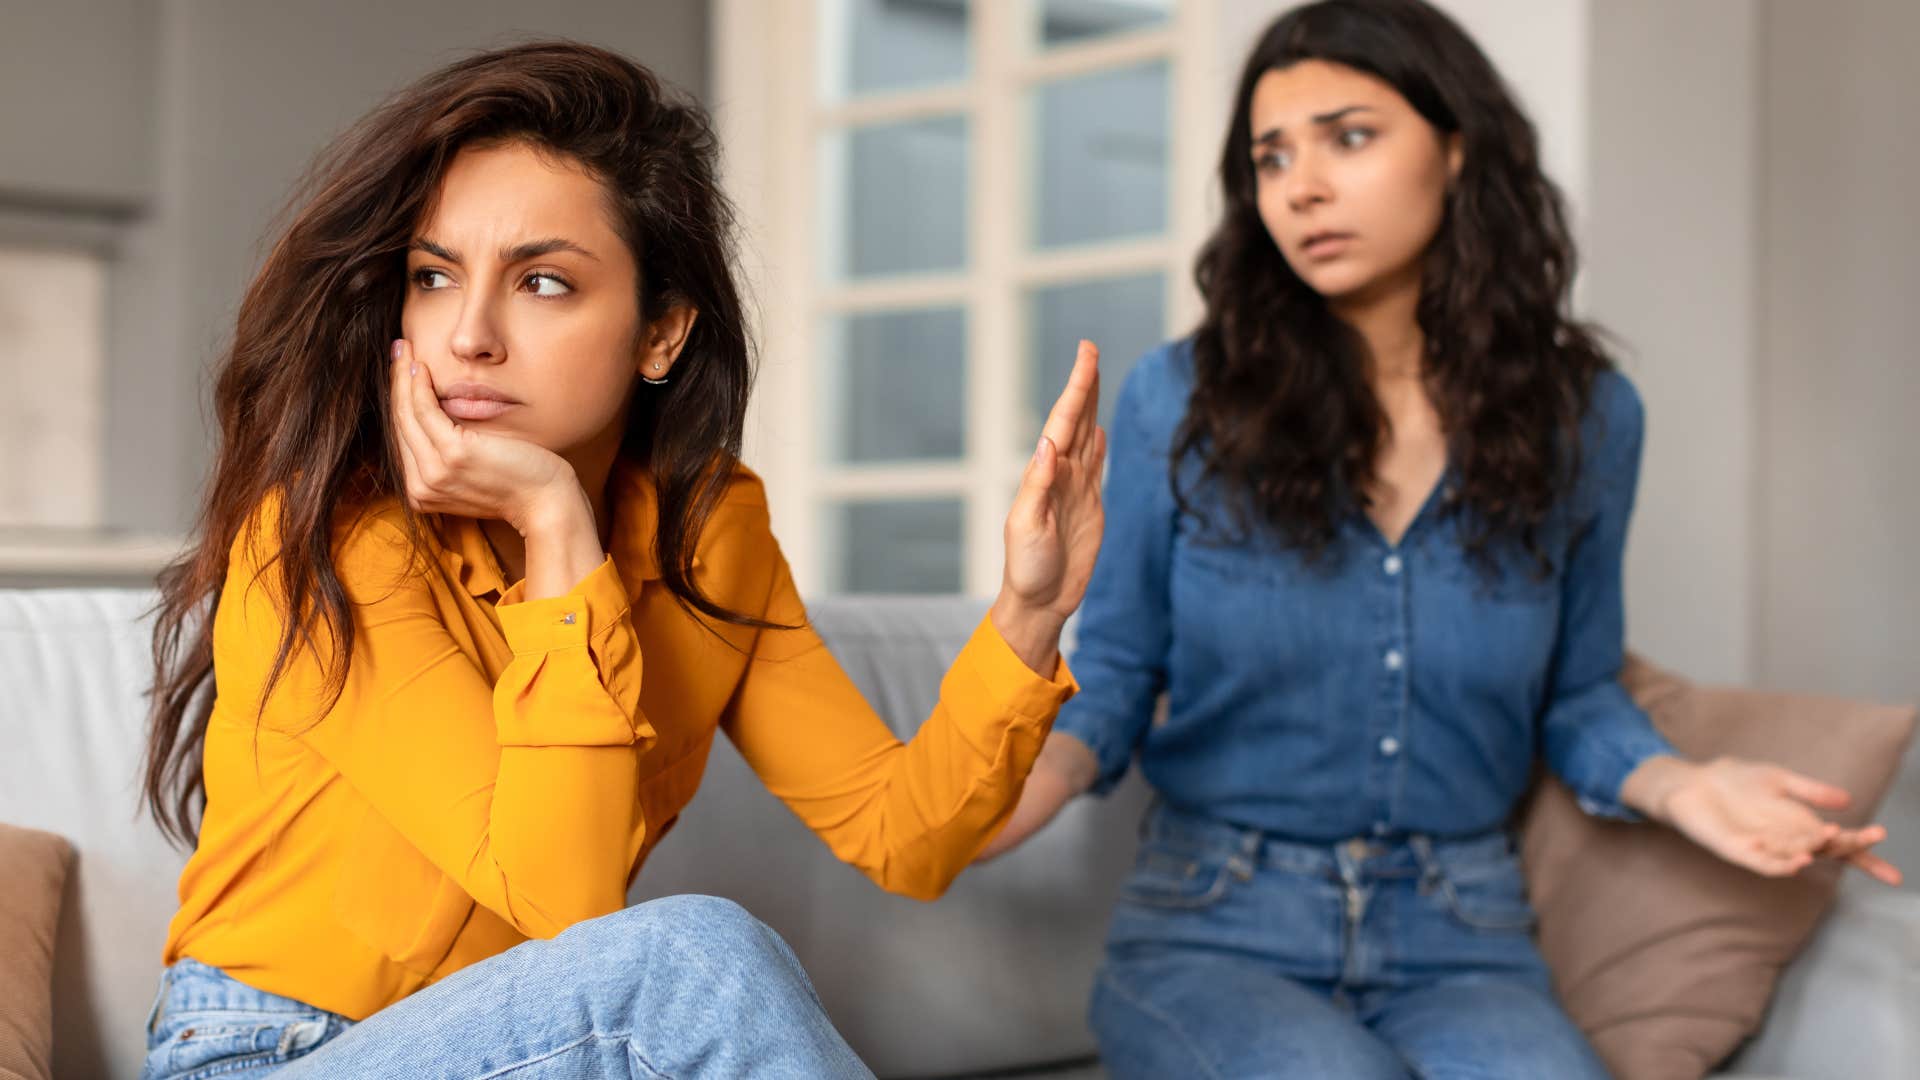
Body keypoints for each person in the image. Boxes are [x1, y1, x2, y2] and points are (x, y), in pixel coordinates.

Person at [138, 41, 1106, 1079]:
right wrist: (557, 526)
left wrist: (1030, 611)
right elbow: (569, 910)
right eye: (432, 277)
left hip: (546, 1052)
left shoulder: (709, 533)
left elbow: (902, 835)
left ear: (662, 335)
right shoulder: (326, 541)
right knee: (684, 960)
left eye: (543, 282)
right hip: (267, 1052)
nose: (468, 334)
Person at [975, 2, 1900, 1076]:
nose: (1302, 186)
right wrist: (976, 807)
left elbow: (1579, 692)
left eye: (1349, 136)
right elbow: (1120, 674)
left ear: (1456, 149)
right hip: (1214, 927)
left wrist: (1685, 787)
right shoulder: (1178, 398)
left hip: (1464, 937)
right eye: (1271, 157)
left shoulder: (1587, 417)